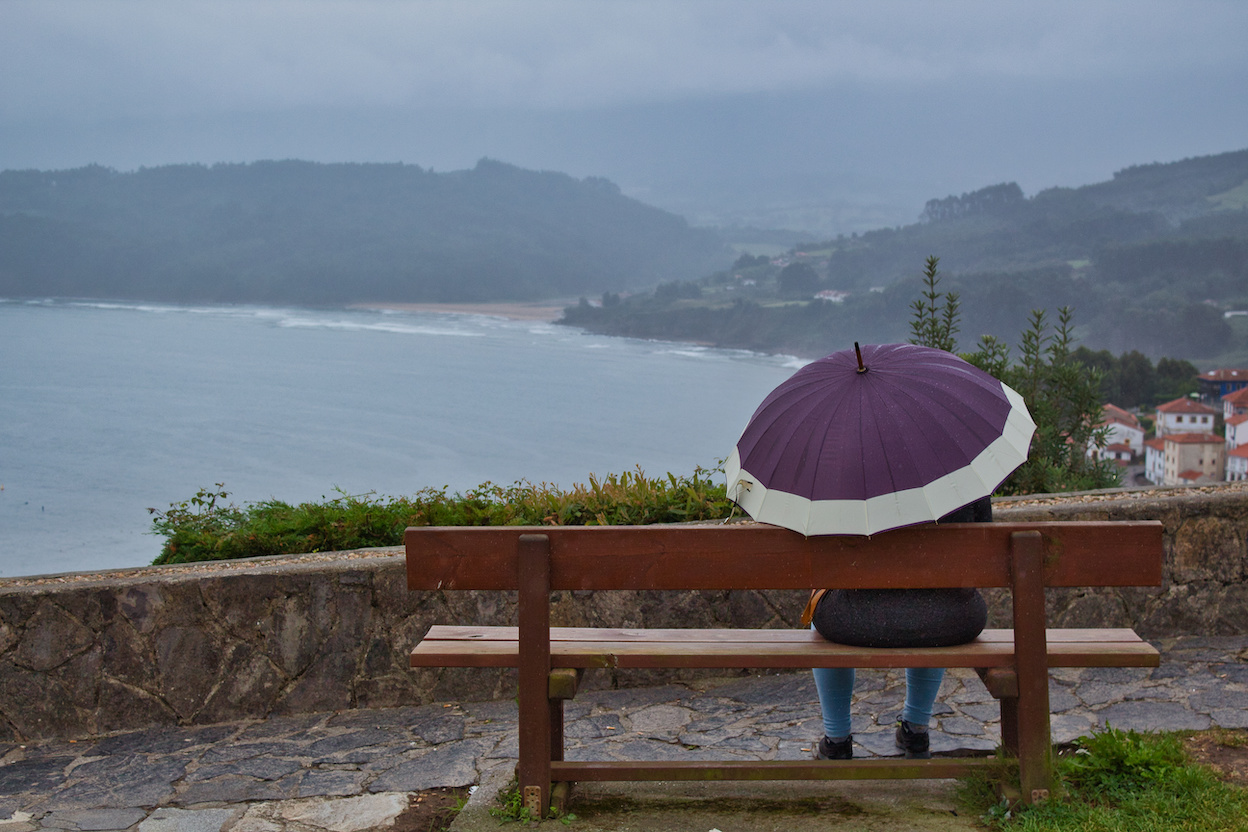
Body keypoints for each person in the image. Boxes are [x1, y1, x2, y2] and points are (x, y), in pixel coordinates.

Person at [803, 496, 992, 760]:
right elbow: (983, 551)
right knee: (932, 608)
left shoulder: (843, 480)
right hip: (948, 619)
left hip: (858, 620)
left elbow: (822, 555)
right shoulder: (959, 481)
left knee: (818, 606)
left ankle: (836, 740)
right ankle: (915, 731)